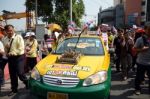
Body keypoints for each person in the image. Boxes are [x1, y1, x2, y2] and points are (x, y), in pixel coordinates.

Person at [3, 25, 28, 96]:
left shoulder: (18, 37)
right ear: (6, 31)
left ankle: (27, 82)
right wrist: (6, 53)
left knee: (20, 73)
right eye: (8, 31)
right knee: (13, 75)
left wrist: (13, 53)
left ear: (13, 30)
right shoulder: (4, 39)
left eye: (11, 30)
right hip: (10, 58)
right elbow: (5, 49)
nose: (10, 32)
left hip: (19, 57)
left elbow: (21, 48)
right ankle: (14, 90)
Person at [134, 22, 150, 95]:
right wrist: (142, 49)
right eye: (149, 29)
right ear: (145, 30)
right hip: (141, 62)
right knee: (139, 77)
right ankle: (137, 89)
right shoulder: (140, 39)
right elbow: (134, 49)